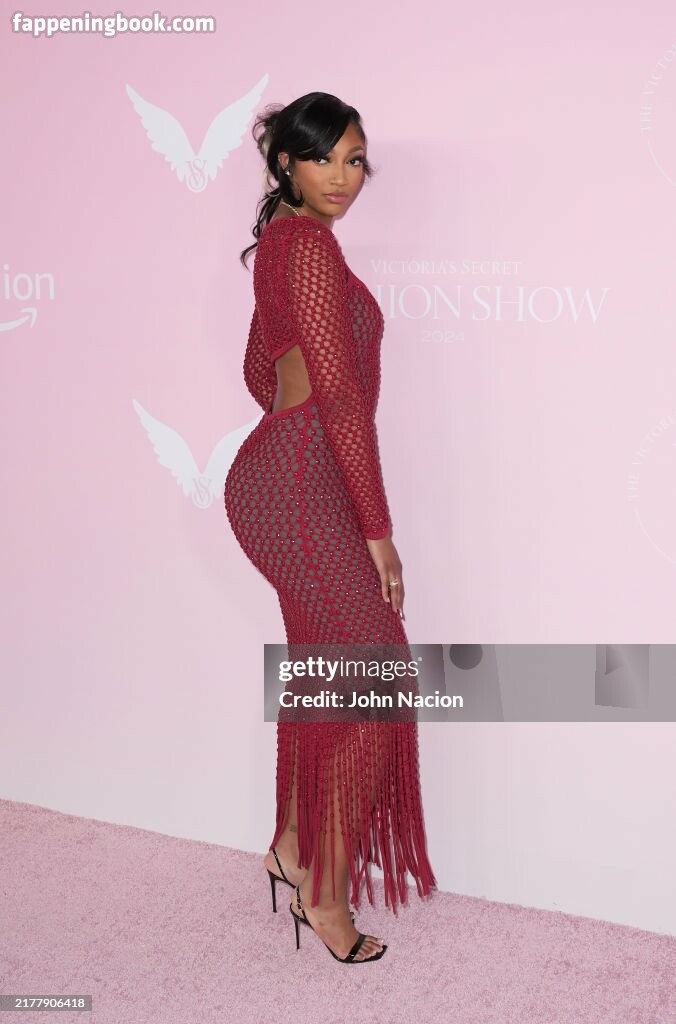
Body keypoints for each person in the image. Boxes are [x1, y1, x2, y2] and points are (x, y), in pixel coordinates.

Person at [224, 92, 436, 964]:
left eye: (354, 160)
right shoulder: (308, 246)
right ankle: (324, 892)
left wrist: (296, 426)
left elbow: (258, 368)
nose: (342, 176)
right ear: (285, 164)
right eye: (324, 158)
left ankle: (289, 846)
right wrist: (377, 529)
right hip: (302, 488)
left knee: (333, 676)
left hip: (289, 481)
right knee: (368, 678)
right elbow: (342, 398)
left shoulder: (284, 243)